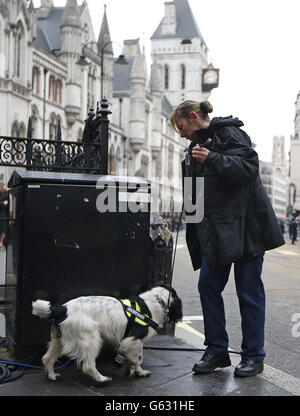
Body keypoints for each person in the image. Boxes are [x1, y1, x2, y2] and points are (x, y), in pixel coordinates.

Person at [170, 100, 285, 377]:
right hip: (217, 232)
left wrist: (211, 158)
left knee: (249, 293)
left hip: (246, 230)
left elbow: (248, 168)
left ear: (194, 117)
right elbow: (193, 193)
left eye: (182, 127)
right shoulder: (193, 147)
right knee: (208, 286)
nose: (182, 134)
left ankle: (254, 357)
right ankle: (217, 352)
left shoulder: (230, 133)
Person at [0, 183, 9, 248]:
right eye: (1, 187)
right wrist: (3, 203)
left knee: (3, 228)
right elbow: (4, 203)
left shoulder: (5, 194)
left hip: (3, 213)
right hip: (2, 212)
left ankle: (1, 241)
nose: (2, 188)